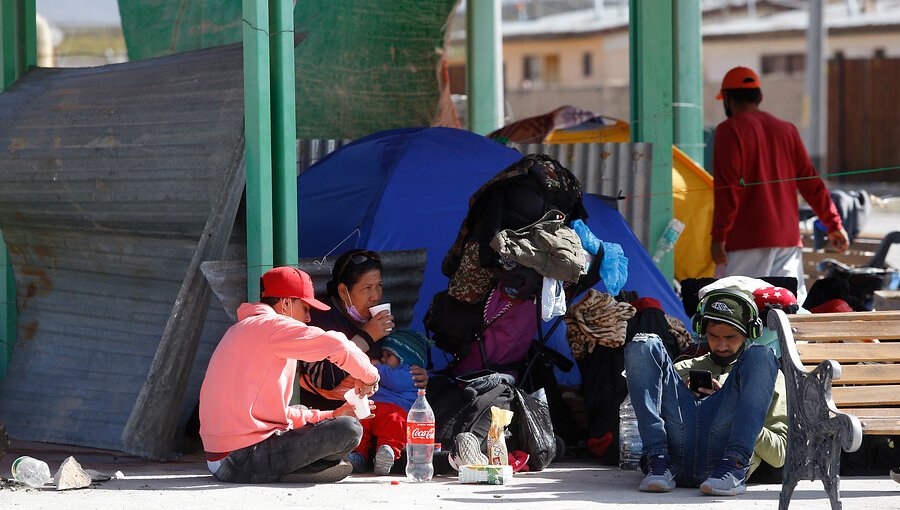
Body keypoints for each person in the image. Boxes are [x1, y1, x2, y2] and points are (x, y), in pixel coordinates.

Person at [199, 266, 380, 484]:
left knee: (305, 412)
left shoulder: (242, 328)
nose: (308, 317)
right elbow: (336, 344)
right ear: (285, 304)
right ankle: (294, 471)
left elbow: (275, 415)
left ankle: (292, 469)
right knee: (348, 429)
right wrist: (370, 376)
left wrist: (333, 414)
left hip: (220, 458)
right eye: (304, 308)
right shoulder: (272, 327)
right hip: (241, 459)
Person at [623, 287, 787, 496]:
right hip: (672, 461)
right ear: (701, 330)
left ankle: (735, 465)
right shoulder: (682, 368)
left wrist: (738, 411)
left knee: (762, 355)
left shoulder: (765, 375)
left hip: (725, 466)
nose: (721, 345)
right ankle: (657, 459)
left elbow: (779, 455)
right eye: (712, 336)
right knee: (643, 344)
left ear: (749, 333)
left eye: (730, 336)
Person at [711, 66, 849, 304]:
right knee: (789, 312)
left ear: (727, 100)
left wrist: (719, 237)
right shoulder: (787, 130)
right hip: (787, 240)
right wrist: (833, 224)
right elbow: (811, 183)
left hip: (746, 240)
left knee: (741, 311)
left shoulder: (729, 130)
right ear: (760, 98)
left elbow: (728, 189)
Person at [297, 249, 428, 409]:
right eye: (367, 288)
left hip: (369, 412)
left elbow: (390, 367)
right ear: (343, 291)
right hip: (325, 412)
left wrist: (416, 377)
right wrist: (367, 336)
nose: (376, 296)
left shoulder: (376, 320)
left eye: (379, 286)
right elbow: (323, 379)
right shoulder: (319, 318)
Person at [347, 329, 430, 475]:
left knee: (395, 422)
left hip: (395, 410)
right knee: (359, 422)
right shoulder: (389, 370)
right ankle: (357, 455)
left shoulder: (410, 373)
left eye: (389, 355)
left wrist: (374, 366)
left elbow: (394, 380)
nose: (383, 359)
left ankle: (387, 453)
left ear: (405, 357)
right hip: (373, 408)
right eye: (383, 355)